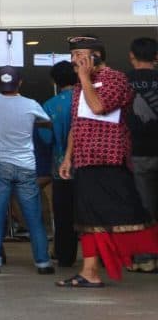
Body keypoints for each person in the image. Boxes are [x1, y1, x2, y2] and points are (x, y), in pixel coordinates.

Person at [56, 35, 158, 287]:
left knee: (128, 214)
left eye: (81, 55)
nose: (75, 61)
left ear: (97, 56)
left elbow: (99, 106)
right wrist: (68, 157)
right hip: (85, 159)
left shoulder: (116, 79)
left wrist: (83, 79)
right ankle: (89, 271)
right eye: (73, 56)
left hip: (109, 158)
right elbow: (77, 124)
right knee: (87, 218)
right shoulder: (82, 84)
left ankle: (139, 254)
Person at [0, 66, 53, 275]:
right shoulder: (31, 104)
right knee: (33, 216)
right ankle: (43, 262)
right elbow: (47, 121)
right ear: (20, 82)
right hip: (26, 166)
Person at [37, 61, 78, 267]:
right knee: (92, 212)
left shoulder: (50, 106)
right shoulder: (86, 100)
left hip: (60, 166)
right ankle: (98, 255)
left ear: (55, 81)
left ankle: (65, 255)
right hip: (89, 166)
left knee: (63, 214)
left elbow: (46, 138)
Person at [125, 37, 158, 271]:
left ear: (132, 56)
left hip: (135, 152)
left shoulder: (124, 81)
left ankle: (144, 257)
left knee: (141, 206)